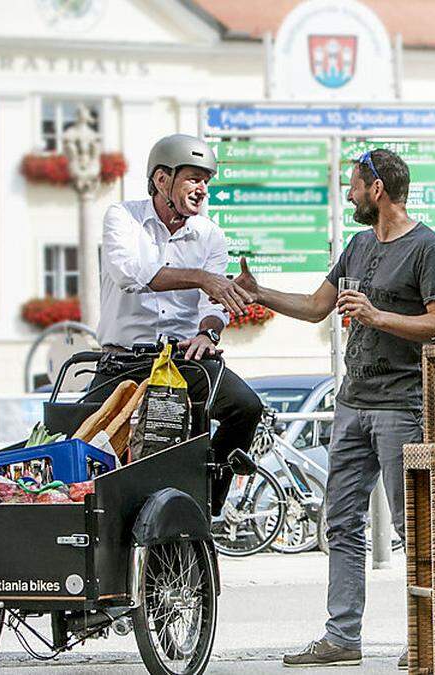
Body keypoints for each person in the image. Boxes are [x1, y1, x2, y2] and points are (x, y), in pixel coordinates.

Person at [234, 149, 435, 669]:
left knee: (413, 525)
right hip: (352, 403)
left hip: (402, 405)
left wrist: (378, 317)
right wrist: (258, 291)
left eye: (354, 186)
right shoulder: (357, 246)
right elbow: (317, 306)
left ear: (377, 189)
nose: (349, 195)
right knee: (341, 523)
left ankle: (426, 639)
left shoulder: (428, 249)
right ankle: (341, 638)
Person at [95, 133, 263, 514]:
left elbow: (215, 303)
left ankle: (207, 501)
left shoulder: (211, 234)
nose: (202, 189)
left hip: (181, 360)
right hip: (124, 359)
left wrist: (207, 331)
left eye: (206, 181)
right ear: (161, 180)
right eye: (193, 178)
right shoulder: (122, 216)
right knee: (80, 434)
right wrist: (201, 278)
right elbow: (129, 274)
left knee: (246, 407)